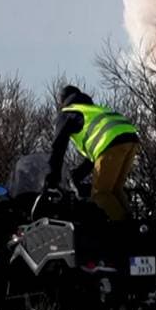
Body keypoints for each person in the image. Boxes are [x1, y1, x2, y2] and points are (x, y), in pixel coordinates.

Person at [46, 85, 140, 220]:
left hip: (110, 144)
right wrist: (78, 174)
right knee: (115, 189)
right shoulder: (94, 109)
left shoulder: (67, 112)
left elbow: (58, 147)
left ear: (63, 101)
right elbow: (95, 156)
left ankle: (125, 231)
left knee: (100, 194)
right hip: (130, 140)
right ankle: (137, 227)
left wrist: (52, 179)